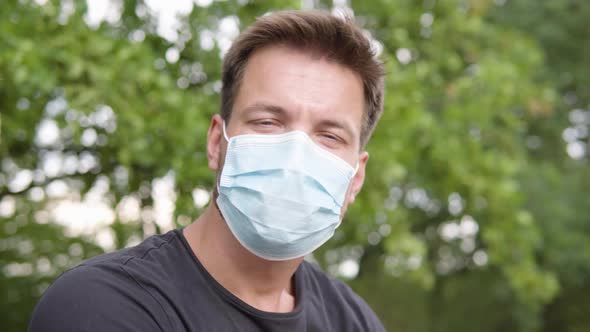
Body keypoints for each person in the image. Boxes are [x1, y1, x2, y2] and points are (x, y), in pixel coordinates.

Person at [29, 10, 386, 331]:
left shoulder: (354, 321)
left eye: (328, 136)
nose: (296, 155)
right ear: (218, 143)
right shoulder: (102, 306)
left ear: (355, 178)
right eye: (267, 122)